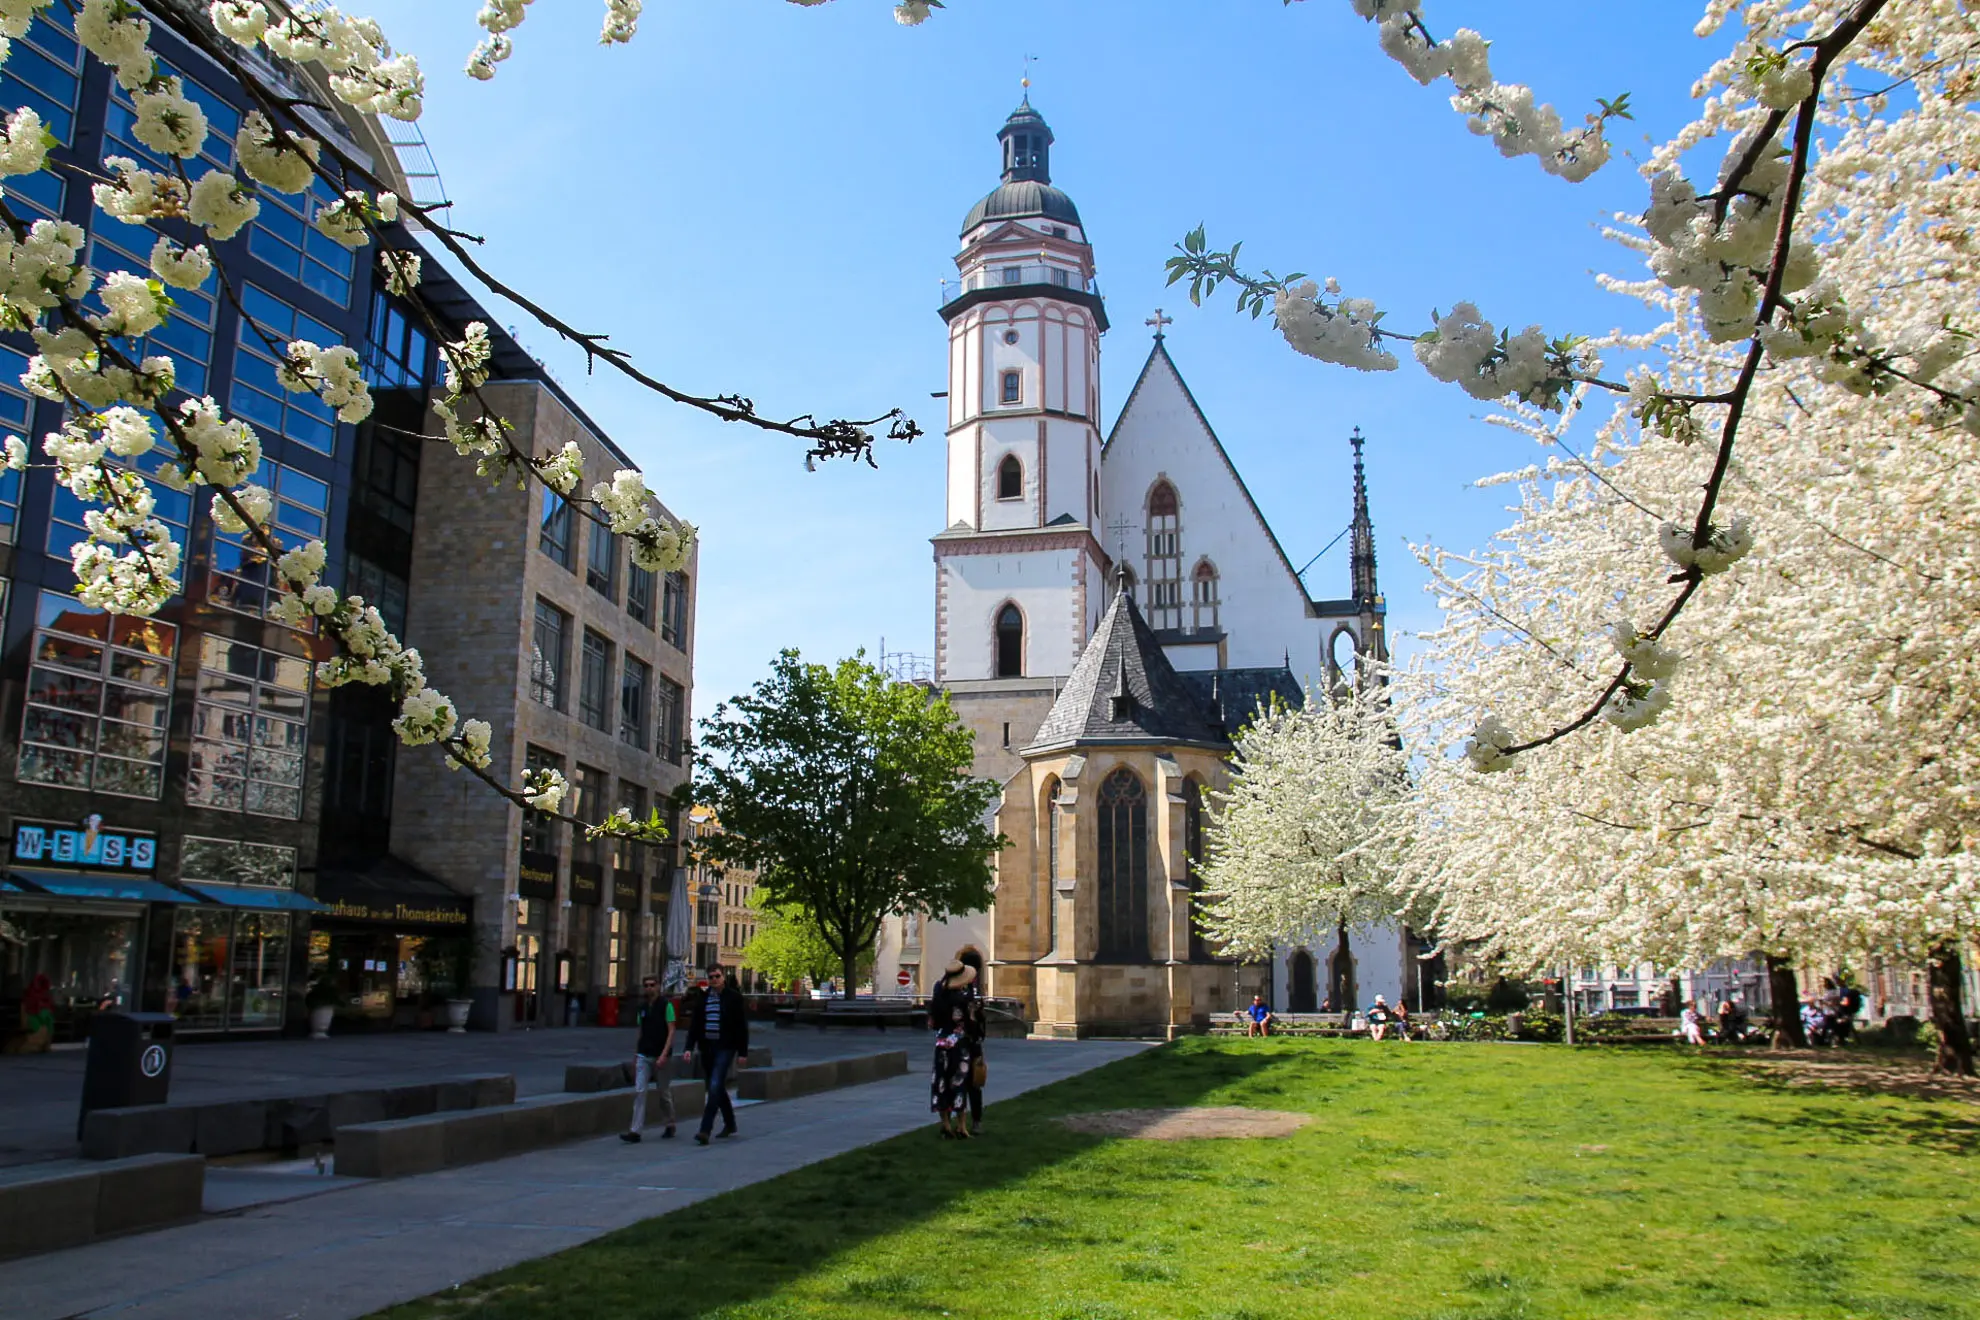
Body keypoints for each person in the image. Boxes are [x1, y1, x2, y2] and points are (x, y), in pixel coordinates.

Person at [682, 962, 748, 1145]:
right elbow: (695, 1025)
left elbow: (741, 1026)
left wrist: (743, 1052)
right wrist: (688, 1048)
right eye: (711, 977)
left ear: (723, 977)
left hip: (725, 1047)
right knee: (716, 1087)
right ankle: (730, 1123)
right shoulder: (703, 999)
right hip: (707, 1047)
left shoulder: (733, 998)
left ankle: (705, 1130)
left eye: (717, 976)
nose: (714, 980)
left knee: (715, 1085)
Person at [620, 976, 676, 1144]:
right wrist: (636, 1056)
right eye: (646, 986)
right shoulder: (642, 1007)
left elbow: (671, 1031)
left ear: (658, 987)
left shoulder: (666, 1005)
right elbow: (641, 1032)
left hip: (661, 1055)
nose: (649, 989)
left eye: (652, 985)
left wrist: (664, 1055)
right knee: (639, 1091)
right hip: (644, 1054)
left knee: (663, 1093)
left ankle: (670, 1123)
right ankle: (635, 1130)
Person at [930, 1000, 973, 1139]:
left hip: (943, 1046)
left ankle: (948, 1125)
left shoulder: (940, 996)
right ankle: (960, 1126)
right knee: (959, 1085)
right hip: (958, 1048)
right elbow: (971, 1022)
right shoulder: (964, 997)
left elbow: (932, 1023)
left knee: (942, 1085)